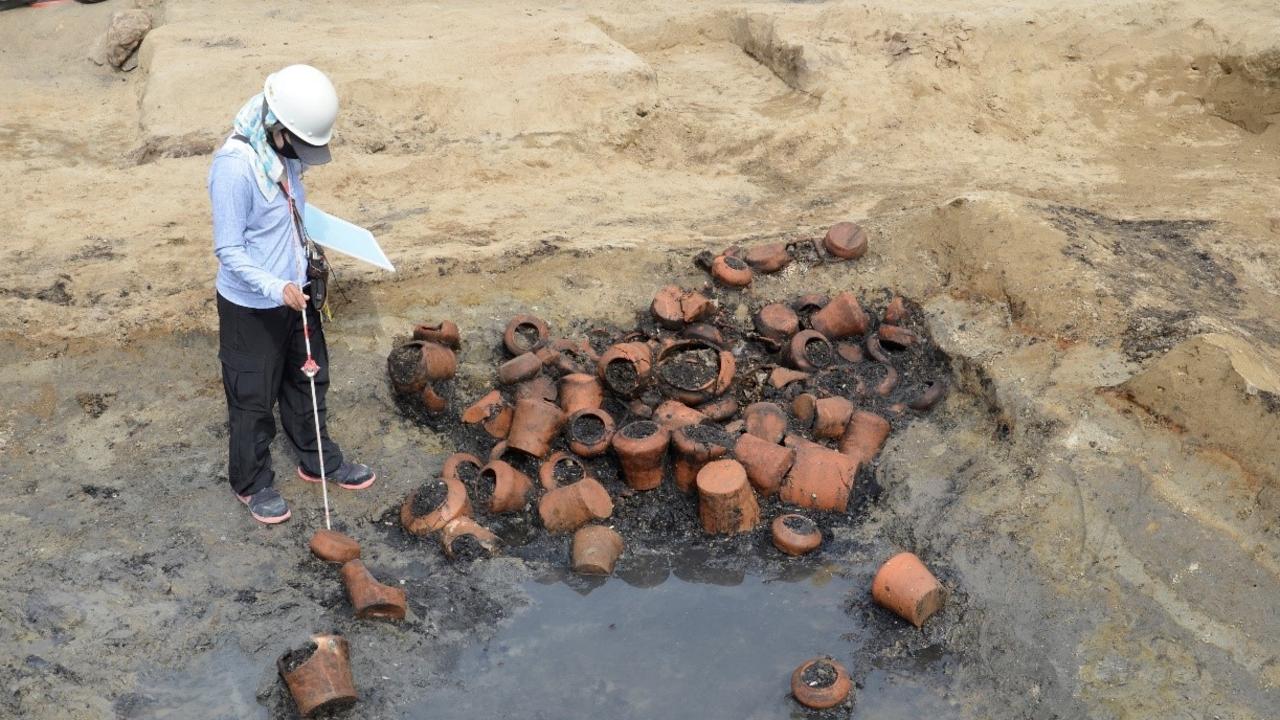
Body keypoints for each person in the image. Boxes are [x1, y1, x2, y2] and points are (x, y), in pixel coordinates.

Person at [209, 64, 375, 524]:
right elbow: (228, 248)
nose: (303, 156)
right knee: (253, 398)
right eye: (300, 144)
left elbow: (287, 213)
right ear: (276, 126)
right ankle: (252, 481)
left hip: (296, 295)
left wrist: (301, 270)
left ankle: (317, 458)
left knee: (308, 380)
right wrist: (274, 285)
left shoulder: (281, 151)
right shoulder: (234, 167)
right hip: (252, 307)